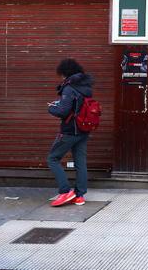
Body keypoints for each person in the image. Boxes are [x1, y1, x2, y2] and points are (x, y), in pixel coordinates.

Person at [47, 58, 93, 207]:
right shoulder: (85, 88)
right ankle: (79, 196)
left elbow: (63, 111)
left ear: (65, 73)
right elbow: (78, 108)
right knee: (80, 162)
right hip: (83, 129)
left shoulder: (69, 88)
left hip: (69, 131)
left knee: (53, 159)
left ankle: (65, 191)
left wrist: (51, 108)